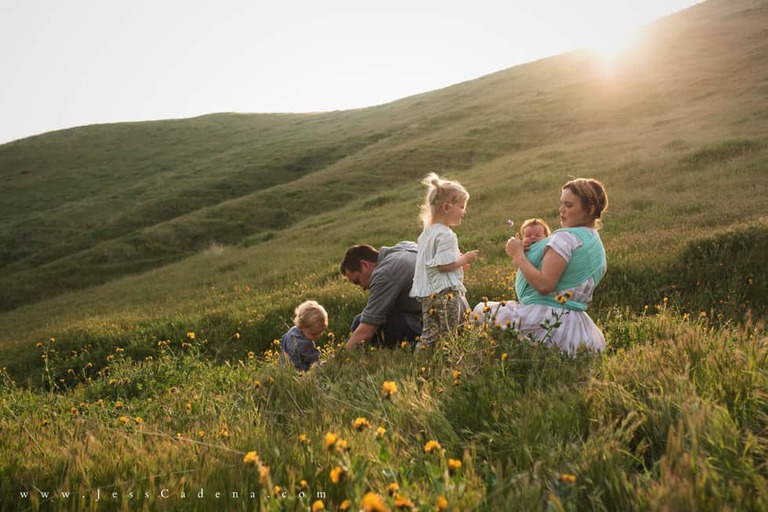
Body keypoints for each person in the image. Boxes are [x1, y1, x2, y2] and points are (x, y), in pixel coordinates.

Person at [473, 178, 609, 354]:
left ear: (589, 209)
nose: (561, 211)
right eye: (561, 204)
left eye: (568, 205)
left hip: (547, 319)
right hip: (577, 329)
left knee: (481, 311)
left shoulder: (566, 238)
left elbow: (545, 285)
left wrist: (518, 255)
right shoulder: (596, 244)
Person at [410, 173, 479, 349]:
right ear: (447, 207)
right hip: (445, 292)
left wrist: (457, 259)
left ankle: (421, 360)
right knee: (449, 331)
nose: (464, 211)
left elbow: (432, 260)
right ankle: (448, 364)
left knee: (430, 332)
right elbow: (442, 266)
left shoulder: (428, 232)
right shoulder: (447, 234)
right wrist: (464, 258)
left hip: (428, 293)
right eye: (462, 207)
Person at [340, 242, 422, 349]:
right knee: (361, 321)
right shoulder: (405, 247)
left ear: (365, 265)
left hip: (431, 323)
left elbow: (367, 329)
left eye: (357, 281)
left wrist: (340, 357)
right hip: (434, 310)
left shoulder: (385, 273)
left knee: (361, 324)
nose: (363, 288)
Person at [280, 300, 327, 371]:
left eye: (320, 332)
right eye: (314, 334)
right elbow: (314, 360)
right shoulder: (304, 343)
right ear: (301, 326)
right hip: (300, 372)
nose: (318, 336)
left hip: (285, 369)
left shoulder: (292, 331)